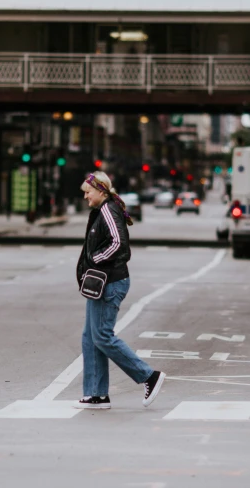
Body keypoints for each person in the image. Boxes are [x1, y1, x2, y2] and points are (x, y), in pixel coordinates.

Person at [75, 171, 166, 410]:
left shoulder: (107, 209)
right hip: (100, 283)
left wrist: (94, 260)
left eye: (88, 192)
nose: (86, 197)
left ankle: (149, 376)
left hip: (111, 282)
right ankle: (97, 394)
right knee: (90, 337)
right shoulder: (101, 209)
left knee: (102, 336)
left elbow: (118, 243)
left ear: (101, 190)